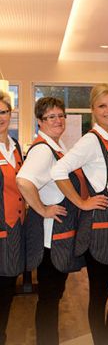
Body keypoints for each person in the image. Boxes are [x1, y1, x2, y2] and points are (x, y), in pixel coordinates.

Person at [50, 84, 108, 345]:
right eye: (102, 106)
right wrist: (81, 202)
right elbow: (58, 171)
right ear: (93, 110)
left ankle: (106, 340)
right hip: (100, 229)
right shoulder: (91, 140)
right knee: (100, 293)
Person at [17, 97, 86, 345]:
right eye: (50, 117)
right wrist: (43, 209)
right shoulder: (43, 150)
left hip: (58, 237)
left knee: (53, 297)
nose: (58, 121)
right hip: (50, 240)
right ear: (40, 121)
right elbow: (23, 181)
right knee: (49, 299)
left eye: (60, 115)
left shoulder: (57, 146)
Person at [0, 91, 24, 345]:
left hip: (15, 230)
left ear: (10, 114)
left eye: (3, 112)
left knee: (7, 288)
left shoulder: (15, 146)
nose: (0, 117)